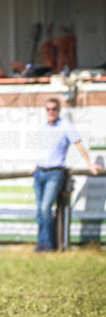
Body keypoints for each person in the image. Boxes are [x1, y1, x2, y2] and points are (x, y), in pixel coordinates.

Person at [31, 97, 101, 252]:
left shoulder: (65, 126)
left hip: (55, 173)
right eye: (48, 109)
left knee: (45, 208)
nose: (51, 112)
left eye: (54, 109)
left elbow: (79, 144)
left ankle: (49, 243)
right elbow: (44, 150)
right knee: (40, 211)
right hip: (40, 172)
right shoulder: (43, 127)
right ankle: (41, 242)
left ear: (59, 110)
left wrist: (89, 164)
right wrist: (35, 165)